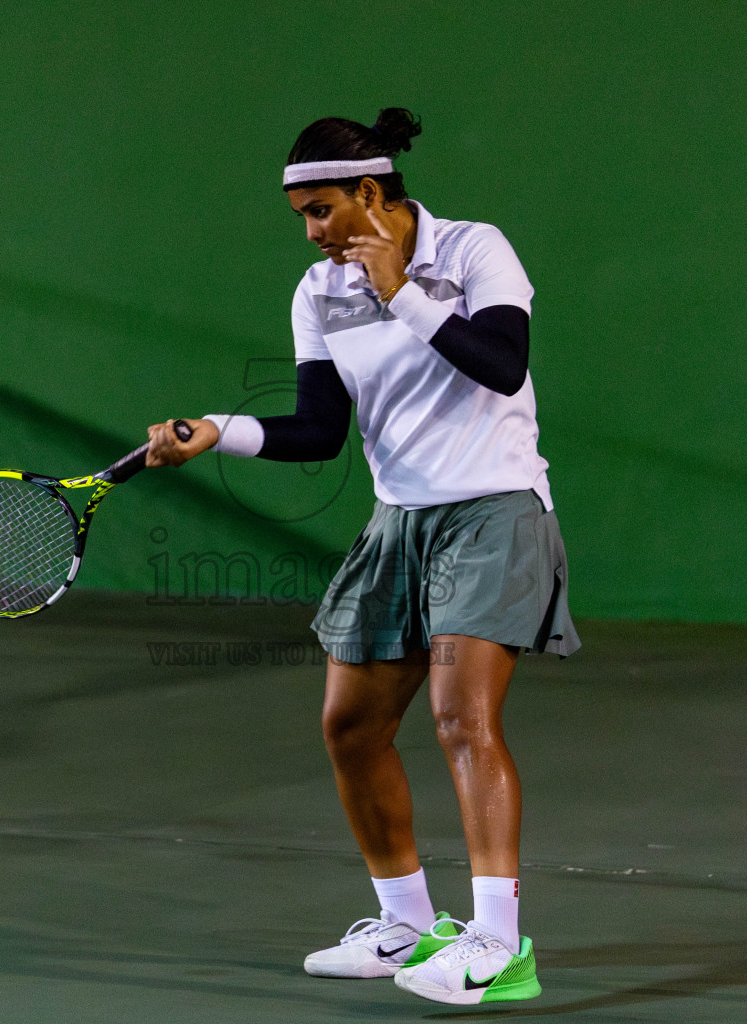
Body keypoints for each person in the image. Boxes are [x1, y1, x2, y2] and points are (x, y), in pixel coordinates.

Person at [145, 107, 579, 1006]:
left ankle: (501, 945)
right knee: (349, 727)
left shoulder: (473, 250)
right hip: (399, 520)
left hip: (492, 509)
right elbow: (316, 431)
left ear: (370, 193)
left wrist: (404, 295)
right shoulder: (319, 291)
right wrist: (214, 431)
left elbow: (502, 364)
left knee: (462, 719)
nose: (310, 233)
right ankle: (409, 926)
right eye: (302, 217)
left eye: (320, 211)